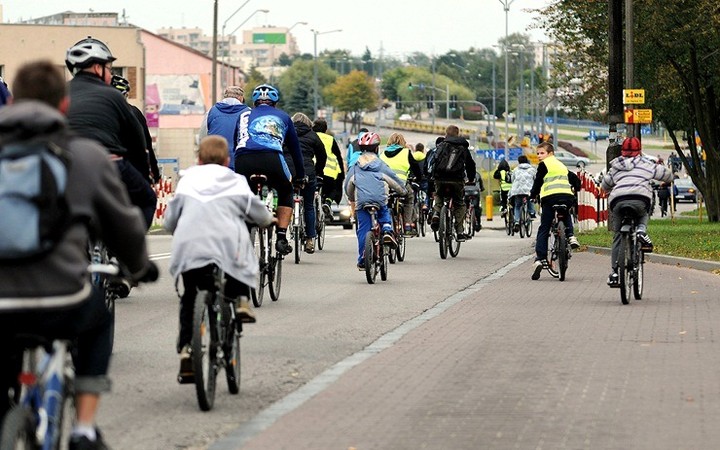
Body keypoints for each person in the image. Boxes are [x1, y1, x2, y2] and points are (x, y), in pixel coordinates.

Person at [0, 59, 157, 450]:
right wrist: (137, 268)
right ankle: (85, 427)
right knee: (98, 320)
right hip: (62, 296)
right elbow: (122, 225)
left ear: (13, 99)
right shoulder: (85, 156)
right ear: (65, 106)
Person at [164, 135, 273, 370]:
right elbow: (259, 214)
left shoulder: (187, 180)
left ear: (199, 160)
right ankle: (242, 300)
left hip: (191, 245)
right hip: (226, 245)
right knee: (239, 252)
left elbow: (169, 221)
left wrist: (177, 228)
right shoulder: (234, 180)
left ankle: (186, 349)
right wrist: (267, 220)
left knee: (191, 297)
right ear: (227, 160)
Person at [65, 36, 157, 229]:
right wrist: (146, 177)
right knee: (147, 200)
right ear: (98, 68)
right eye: (109, 68)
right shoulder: (114, 96)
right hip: (108, 163)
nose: (110, 73)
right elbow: (137, 142)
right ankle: (131, 254)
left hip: (67, 164)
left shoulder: (60, 93)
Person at [234, 84, 305, 255]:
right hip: (272, 158)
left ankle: (244, 231)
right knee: (286, 190)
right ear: (275, 102)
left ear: (255, 101)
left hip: (244, 159)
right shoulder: (284, 117)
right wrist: (300, 177)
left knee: (243, 194)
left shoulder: (243, 115)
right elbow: (296, 151)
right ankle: (281, 237)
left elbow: (236, 142)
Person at [601, 137, 673, 286]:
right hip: (640, 198)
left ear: (623, 151)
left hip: (618, 201)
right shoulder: (646, 164)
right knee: (643, 212)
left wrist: (609, 187)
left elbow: (605, 184)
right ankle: (641, 230)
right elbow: (667, 175)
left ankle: (615, 272)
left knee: (618, 235)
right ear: (639, 150)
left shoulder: (615, 165)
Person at [344, 132, 407, 270]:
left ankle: (362, 259)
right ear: (377, 149)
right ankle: (387, 229)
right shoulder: (381, 165)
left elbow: (348, 185)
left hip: (362, 203)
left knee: (363, 230)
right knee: (384, 210)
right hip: (379, 200)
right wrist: (403, 191)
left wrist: (351, 198)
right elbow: (395, 182)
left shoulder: (355, 166)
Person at [530, 141, 582, 280]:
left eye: (542, 153)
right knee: (566, 215)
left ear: (550, 153)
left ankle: (540, 258)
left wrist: (532, 195)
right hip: (566, 197)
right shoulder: (561, 165)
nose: (539, 156)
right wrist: (575, 189)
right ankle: (571, 236)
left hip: (549, 198)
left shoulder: (543, 165)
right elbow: (576, 181)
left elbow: (538, 182)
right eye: (538, 154)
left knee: (544, 227)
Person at [285, 112, 327, 253]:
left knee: (286, 204)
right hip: (308, 173)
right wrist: (318, 170)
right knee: (309, 206)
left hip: (289, 172)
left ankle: (282, 236)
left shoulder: (285, 132)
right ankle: (310, 239)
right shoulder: (312, 135)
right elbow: (322, 156)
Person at [110, 75, 161, 184]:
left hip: (109, 172)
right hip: (134, 172)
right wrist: (155, 174)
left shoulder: (103, 115)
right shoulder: (135, 113)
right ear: (126, 95)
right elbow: (148, 145)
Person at [430, 125, 476, 242]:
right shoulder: (463, 147)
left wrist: (432, 176)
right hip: (456, 180)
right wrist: (471, 179)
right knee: (459, 203)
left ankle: (436, 213)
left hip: (440, 178)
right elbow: (470, 165)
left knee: (439, 195)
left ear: (446, 133)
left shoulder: (441, 145)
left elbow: (433, 161)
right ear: (457, 133)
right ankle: (460, 231)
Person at [380, 132, 424, 236]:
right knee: (409, 198)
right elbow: (415, 168)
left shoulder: (382, 154)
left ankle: (385, 224)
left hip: (385, 184)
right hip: (401, 185)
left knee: (384, 201)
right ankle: (407, 225)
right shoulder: (406, 152)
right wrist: (418, 178)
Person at [198, 85, 250, 171]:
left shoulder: (211, 112)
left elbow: (203, 138)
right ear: (241, 98)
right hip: (240, 162)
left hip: (215, 162)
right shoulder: (248, 113)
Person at [313, 118, 345, 217]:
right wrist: (341, 173)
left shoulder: (311, 137)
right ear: (325, 129)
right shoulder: (330, 139)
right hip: (329, 172)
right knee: (332, 189)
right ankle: (327, 202)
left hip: (313, 170)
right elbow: (338, 156)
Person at [508, 154, 537, 231]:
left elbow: (512, 179)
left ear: (519, 162)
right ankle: (531, 213)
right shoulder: (532, 169)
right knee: (530, 199)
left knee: (517, 206)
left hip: (517, 190)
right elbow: (536, 179)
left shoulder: (515, 169)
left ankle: (517, 222)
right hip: (528, 190)